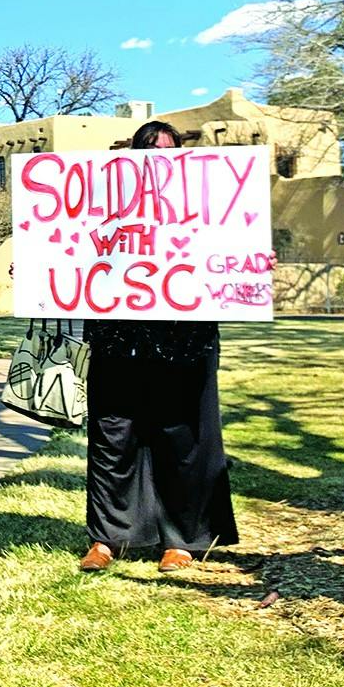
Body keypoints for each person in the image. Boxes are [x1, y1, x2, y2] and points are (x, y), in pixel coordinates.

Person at [77, 119, 239, 575]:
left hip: (183, 340)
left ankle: (180, 539)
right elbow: (72, 248)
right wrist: (38, 268)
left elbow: (229, 253)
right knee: (112, 437)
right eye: (147, 151)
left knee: (180, 437)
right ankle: (106, 538)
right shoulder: (105, 203)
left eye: (167, 152)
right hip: (118, 337)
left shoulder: (208, 205)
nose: (157, 160)